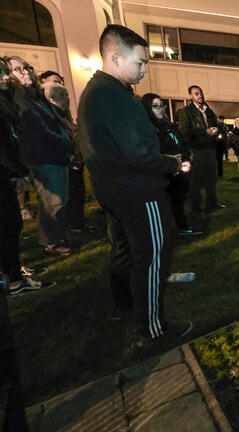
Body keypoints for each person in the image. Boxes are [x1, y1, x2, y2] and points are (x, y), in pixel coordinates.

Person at [77, 24, 190, 340]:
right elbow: (139, 153)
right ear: (115, 56)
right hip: (138, 192)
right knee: (152, 258)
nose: (143, 70)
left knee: (126, 253)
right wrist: (173, 164)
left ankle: (126, 306)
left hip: (116, 191)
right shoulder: (114, 96)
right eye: (139, 63)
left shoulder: (96, 92)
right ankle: (153, 328)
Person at [11, 56, 72, 255]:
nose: (26, 71)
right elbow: (37, 130)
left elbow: (56, 119)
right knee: (52, 201)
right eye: (18, 69)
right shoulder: (19, 99)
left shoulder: (36, 95)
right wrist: (64, 141)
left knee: (59, 199)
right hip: (42, 156)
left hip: (55, 154)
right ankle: (51, 242)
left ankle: (56, 237)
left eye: (27, 67)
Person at [0, 57, 41, 295]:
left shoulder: (7, 101)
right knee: (8, 225)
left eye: (6, 72)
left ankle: (11, 272)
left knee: (11, 225)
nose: (6, 77)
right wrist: (20, 170)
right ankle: (14, 281)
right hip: (4, 175)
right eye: (2, 73)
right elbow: (4, 146)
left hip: (7, 173)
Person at [141, 93, 200, 236]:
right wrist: (170, 158)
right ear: (148, 108)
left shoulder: (168, 124)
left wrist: (184, 156)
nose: (161, 109)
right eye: (156, 106)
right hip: (163, 174)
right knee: (167, 204)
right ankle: (170, 230)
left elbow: (182, 143)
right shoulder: (148, 128)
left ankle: (181, 226)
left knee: (178, 200)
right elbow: (152, 152)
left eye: (162, 106)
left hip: (177, 170)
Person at [42, 82, 86, 234]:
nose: (68, 98)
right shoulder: (51, 116)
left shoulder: (63, 114)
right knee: (64, 200)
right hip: (64, 163)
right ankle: (64, 231)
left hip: (74, 162)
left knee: (76, 196)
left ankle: (76, 225)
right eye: (64, 95)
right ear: (52, 98)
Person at [177, 85, 224, 213]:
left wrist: (216, 130)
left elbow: (216, 125)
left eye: (201, 93)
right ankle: (196, 207)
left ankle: (212, 203)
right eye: (196, 93)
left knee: (211, 179)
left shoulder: (208, 111)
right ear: (191, 96)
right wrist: (205, 131)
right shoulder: (186, 111)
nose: (200, 96)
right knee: (196, 180)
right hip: (196, 150)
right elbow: (184, 131)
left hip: (210, 149)